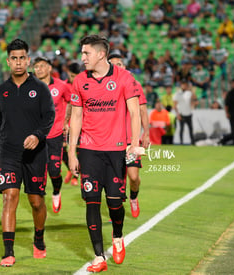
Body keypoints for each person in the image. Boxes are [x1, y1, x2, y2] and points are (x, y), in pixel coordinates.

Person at [0, 39, 55, 267]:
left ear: (28, 60)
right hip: (9, 154)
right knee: (9, 197)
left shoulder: (40, 88)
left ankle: (39, 238)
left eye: (23, 57)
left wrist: (37, 136)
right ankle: (8, 252)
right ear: (8, 61)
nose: (19, 62)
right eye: (14, 58)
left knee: (36, 202)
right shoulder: (0, 91)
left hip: (36, 154)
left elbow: (49, 117)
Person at [68, 35, 141, 272]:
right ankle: (99, 257)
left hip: (116, 150)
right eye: (81, 53)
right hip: (89, 150)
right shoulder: (79, 81)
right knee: (91, 202)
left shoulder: (124, 78)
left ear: (101, 54)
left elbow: (135, 112)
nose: (82, 58)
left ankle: (118, 237)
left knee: (114, 203)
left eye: (86, 53)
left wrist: (134, 144)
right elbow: (76, 117)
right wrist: (72, 152)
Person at [108, 53, 150, 218]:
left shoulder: (134, 84)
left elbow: (142, 110)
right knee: (115, 182)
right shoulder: (105, 86)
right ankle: (116, 213)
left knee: (133, 177)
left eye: (120, 63)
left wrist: (146, 133)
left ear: (125, 67)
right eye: (114, 64)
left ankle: (133, 197)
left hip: (132, 140)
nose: (117, 66)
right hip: (111, 141)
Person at [33, 57, 71, 213]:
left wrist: (66, 121)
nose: (39, 69)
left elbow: (71, 102)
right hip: (37, 136)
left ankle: (56, 192)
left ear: (49, 68)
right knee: (37, 173)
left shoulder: (62, 86)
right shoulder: (30, 87)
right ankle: (39, 206)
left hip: (55, 134)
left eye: (42, 66)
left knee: (54, 170)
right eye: (36, 67)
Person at [63, 62, 81, 186]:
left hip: (78, 123)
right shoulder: (63, 86)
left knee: (79, 150)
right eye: (71, 75)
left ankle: (75, 175)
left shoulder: (81, 85)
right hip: (64, 123)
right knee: (62, 149)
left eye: (75, 76)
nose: (73, 78)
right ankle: (71, 169)